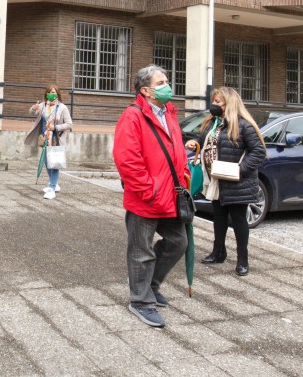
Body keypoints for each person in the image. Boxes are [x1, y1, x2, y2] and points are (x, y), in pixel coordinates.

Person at [113, 65, 189, 328]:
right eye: (161, 82)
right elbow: (127, 159)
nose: (168, 86)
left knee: (178, 243)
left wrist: (185, 176)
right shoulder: (132, 116)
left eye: (167, 80)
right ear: (145, 90)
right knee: (140, 251)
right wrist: (149, 190)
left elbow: (177, 150)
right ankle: (140, 301)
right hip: (146, 198)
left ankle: (151, 286)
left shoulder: (169, 113)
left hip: (171, 195)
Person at [185, 86, 266, 277]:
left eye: (217, 102)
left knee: (238, 220)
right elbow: (203, 139)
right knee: (218, 217)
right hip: (216, 179)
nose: (213, 105)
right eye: (213, 101)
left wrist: (240, 170)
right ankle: (218, 252)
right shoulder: (212, 123)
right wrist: (195, 143)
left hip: (237, 181)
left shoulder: (243, 125)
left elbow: (258, 152)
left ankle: (242, 260)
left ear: (229, 103)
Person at [26, 84, 73, 199]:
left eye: (54, 92)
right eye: (50, 92)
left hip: (56, 139)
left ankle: (52, 188)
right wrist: (34, 108)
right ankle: (54, 183)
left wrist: (55, 128)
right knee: (46, 162)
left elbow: (69, 124)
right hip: (45, 138)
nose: (52, 94)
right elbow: (31, 113)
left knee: (55, 164)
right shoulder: (43, 105)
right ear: (46, 94)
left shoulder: (62, 107)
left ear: (57, 94)